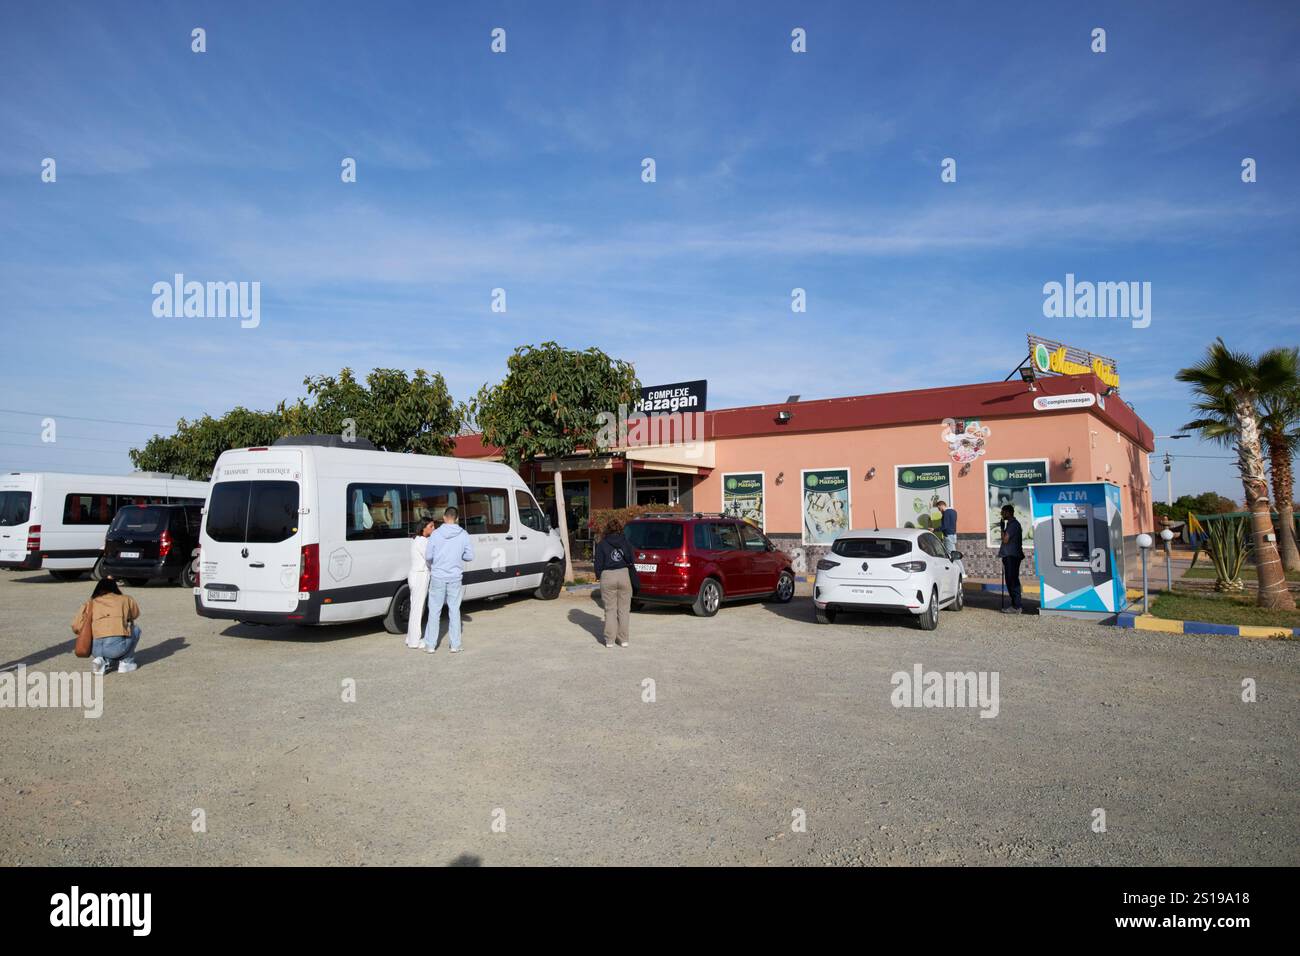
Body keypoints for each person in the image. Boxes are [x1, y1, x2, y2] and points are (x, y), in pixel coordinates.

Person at [423, 506, 474, 654]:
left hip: (438, 577)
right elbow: (470, 556)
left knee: (434, 611)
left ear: (444, 517)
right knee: (454, 610)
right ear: (456, 518)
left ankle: (430, 645)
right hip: (455, 578)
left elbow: (428, 557)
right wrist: (458, 556)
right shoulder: (463, 534)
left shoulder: (436, 534)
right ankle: (455, 645)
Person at [71, 577, 142, 675]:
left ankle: (101, 660)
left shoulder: (90, 602)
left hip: (94, 649)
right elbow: (135, 614)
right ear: (115, 588)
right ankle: (126, 662)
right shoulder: (126, 599)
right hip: (115, 647)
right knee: (136, 630)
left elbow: (76, 626)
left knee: (107, 648)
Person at [594, 516, 638, 648]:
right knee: (624, 610)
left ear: (607, 530)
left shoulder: (602, 544)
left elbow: (598, 564)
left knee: (610, 609)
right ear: (620, 529)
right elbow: (632, 559)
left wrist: (599, 575)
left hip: (608, 576)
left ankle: (610, 640)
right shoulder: (626, 542)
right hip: (624, 574)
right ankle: (624, 639)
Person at [405, 518, 436, 649]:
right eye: (431, 526)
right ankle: (414, 641)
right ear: (424, 528)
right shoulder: (423, 541)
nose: (433, 529)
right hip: (420, 575)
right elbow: (429, 558)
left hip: (416, 574)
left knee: (416, 607)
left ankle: (410, 637)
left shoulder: (417, 540)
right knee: (418, 609)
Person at [998, 503, 1025, 614]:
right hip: (1009, 555)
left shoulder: (1013, 525)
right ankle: (1015, 605)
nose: (1002, 514)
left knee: (1012, 581)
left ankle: (1016, 606)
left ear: (1008, 512)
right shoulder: (1011, 524)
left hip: (1011, 556)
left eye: (1003, 512)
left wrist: (1002, 528)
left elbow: (1005, 540)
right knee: (1010, 580)